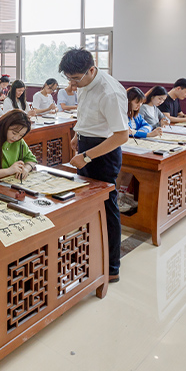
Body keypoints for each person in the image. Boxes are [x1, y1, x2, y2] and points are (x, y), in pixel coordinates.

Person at [59, 48, 128, 283]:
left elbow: (121, 136)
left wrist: (87, 156)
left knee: (107, 206)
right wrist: (79, 133)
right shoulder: (85, 83)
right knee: (85, 202)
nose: (73, 84)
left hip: (103, 152)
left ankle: (112, 266)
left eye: (76, 79)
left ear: (92, 69)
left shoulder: (110, 91)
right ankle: (87, 253)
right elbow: (88, 113)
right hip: (87, 143)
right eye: (68, 79)